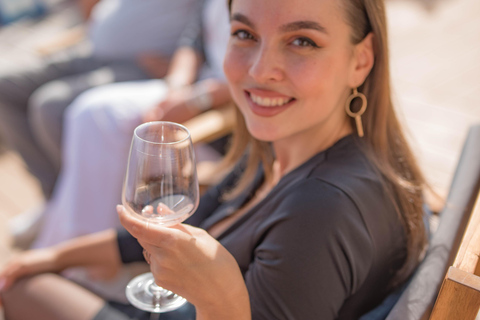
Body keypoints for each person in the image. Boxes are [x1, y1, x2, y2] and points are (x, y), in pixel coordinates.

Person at [0, 0, 429, 318]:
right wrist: (54, 256)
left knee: (20, 290)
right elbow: (168, 230)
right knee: (29, 276)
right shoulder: (278, 152)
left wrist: (216, 297)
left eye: (302, 40)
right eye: (244, 34)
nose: (261, 70)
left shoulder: (322, 211)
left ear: (361, 60)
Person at [28, 0, 231, 251]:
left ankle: (89, 253)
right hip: (190, 90)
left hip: (221, 113)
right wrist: (177, 87)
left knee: (104, 123)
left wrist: (198, 98)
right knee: (88, 112)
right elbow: (193, 40)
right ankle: (75, 241)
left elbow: (256, 71)